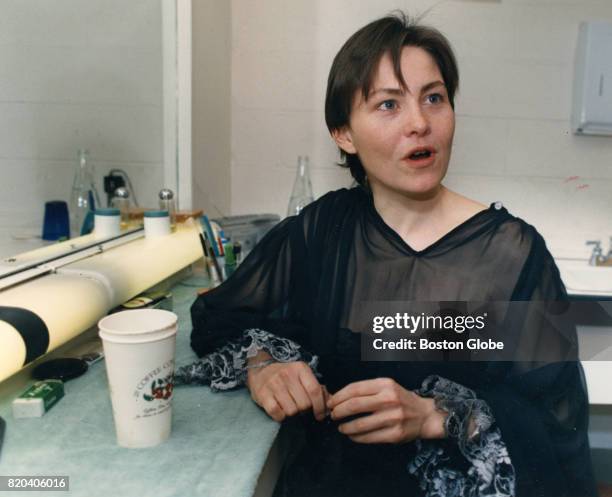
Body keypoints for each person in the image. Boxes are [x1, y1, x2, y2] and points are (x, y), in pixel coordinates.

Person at [179, 12, 597, 497]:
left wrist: (437, 416)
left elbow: (557, 413)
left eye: (434, 98)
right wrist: (264, 366)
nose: (419, 123)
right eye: (388, 104)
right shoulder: (324, 232)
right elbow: (221, 314)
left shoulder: (510, 254)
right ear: (344, 134)